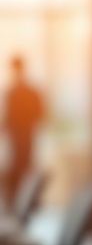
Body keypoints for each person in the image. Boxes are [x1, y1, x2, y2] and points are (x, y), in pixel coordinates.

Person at [2, 55, 44, 206]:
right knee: (18, 169)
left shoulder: (26, 92)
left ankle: (23, 204)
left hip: (24, 137)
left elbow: (40, 114)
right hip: (18, 138)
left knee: (24, 170)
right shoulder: (14, 91)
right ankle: (18, 204)